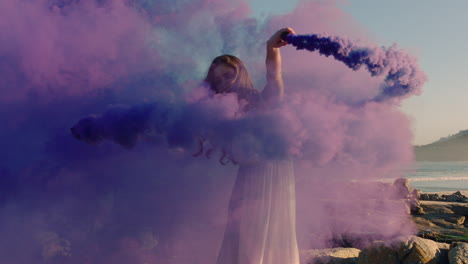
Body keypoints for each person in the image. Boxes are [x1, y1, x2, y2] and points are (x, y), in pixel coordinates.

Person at [204, 28, 300, 264]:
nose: (224, 83)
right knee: (241, 232)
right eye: (218, 79)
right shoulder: (215, 109)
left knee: (259, 231)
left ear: (240, 75)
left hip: (272, 171)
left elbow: (274, 80)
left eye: (229, 76)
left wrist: (271, 48)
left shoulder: (256, 99)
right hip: (249, 174)